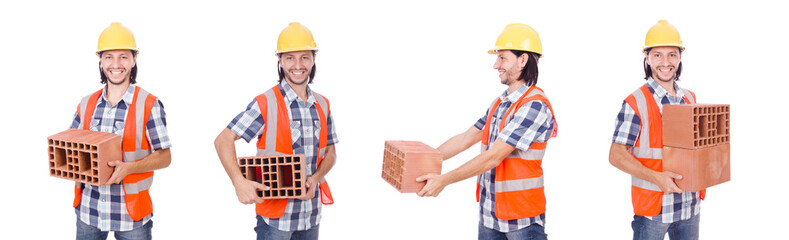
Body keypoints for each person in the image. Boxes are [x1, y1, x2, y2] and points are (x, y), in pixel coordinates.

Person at [417, 23, 557, 240]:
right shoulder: (501, 103)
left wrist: (444, 179)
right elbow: (466, 138)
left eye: (502, 58)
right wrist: (424, 160)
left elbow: (493, 157)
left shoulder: (534, 105)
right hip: (490, 216)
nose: (495, 65)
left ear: (523, 60)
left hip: (522, 220)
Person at [214, 22, 337, 240]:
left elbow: (331, 154)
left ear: (313, 59)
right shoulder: (266, 103)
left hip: (311, 216)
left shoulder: (323, 104)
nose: (297, 65)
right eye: (289, 57)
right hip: (275, 220)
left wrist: (316, 178)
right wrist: (238, 181)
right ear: (279, 61)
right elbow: (223, 140)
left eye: (304, 57)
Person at [69, 22, 172, 240]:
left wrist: (130, 168)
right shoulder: (86, 103)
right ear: (100, 60)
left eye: (123, 57)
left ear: (134, 60)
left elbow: (165, 157)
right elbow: (71, 146)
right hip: (89, 210)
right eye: (109, 57)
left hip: (131, 215)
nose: (116, 64)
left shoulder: (149, 104)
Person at [608, 20, 702, 240]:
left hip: (690, 206)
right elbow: (616, 155)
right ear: (647, 58)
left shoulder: (690, 98)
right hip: (654, 210)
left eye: (672, 54)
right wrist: (657, 178)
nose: (665, 62)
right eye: (657, 55)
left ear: (680, 57)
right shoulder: (635, 102)